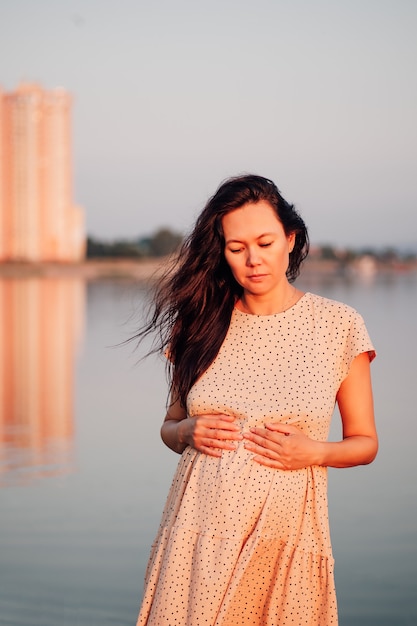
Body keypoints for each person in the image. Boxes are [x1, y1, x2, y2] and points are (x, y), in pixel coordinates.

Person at [135, 174, 378, 626]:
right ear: (221, 251)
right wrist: (186, 430)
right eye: (236, 247)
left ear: (290, 239)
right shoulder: (199, 324)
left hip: (284, 536)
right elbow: (170, 427)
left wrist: (316, 452)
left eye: (265, 242)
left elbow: (365, 442)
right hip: (197, 535)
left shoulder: (338, 326)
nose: (253, 260)